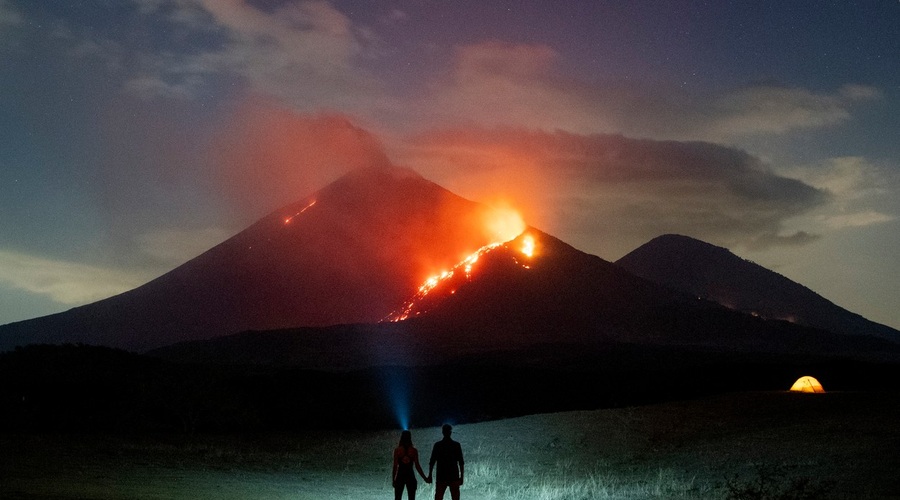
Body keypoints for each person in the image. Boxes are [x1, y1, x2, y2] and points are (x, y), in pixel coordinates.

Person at [428, 424, 465, 500]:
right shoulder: (456, 445)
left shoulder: (438, 445)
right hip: (453, 475)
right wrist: (461, 477)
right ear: (450, 432)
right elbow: (461, 462)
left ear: (442, 432)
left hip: (441, 476)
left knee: (438, 497)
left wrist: (430, 475)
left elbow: (432, 461)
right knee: (455, 497)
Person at [393, 430, 429, 500]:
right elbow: (417, 466)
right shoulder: (414, 450)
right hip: (410, 475)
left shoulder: (397, 450)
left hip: (400, 476)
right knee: (412, 498)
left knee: (397, 497)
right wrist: (424, 478)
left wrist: (394, 479)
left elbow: (395, 466)